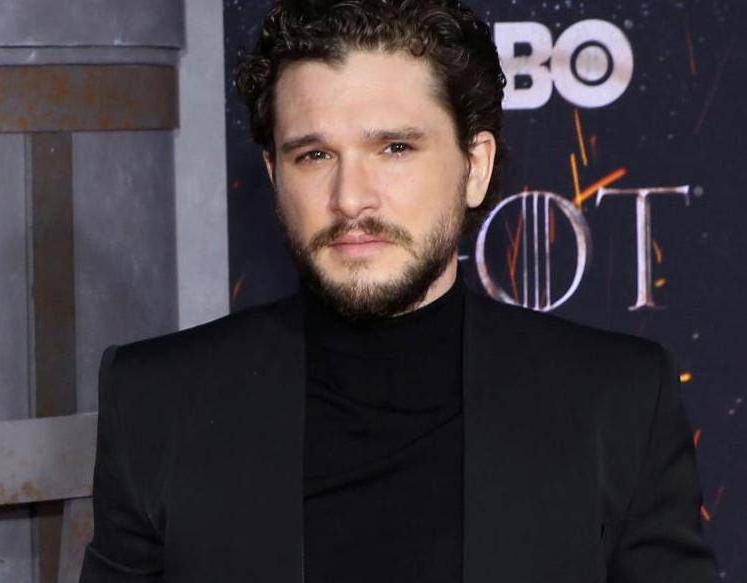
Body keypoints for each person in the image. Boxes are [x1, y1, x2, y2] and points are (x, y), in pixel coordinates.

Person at [79, 1, 719, 581]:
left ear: (476, 168)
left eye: (394, 148)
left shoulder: (618, 405)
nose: (351, 198)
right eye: (314, 156)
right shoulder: (157, 404)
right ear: (275, 175)